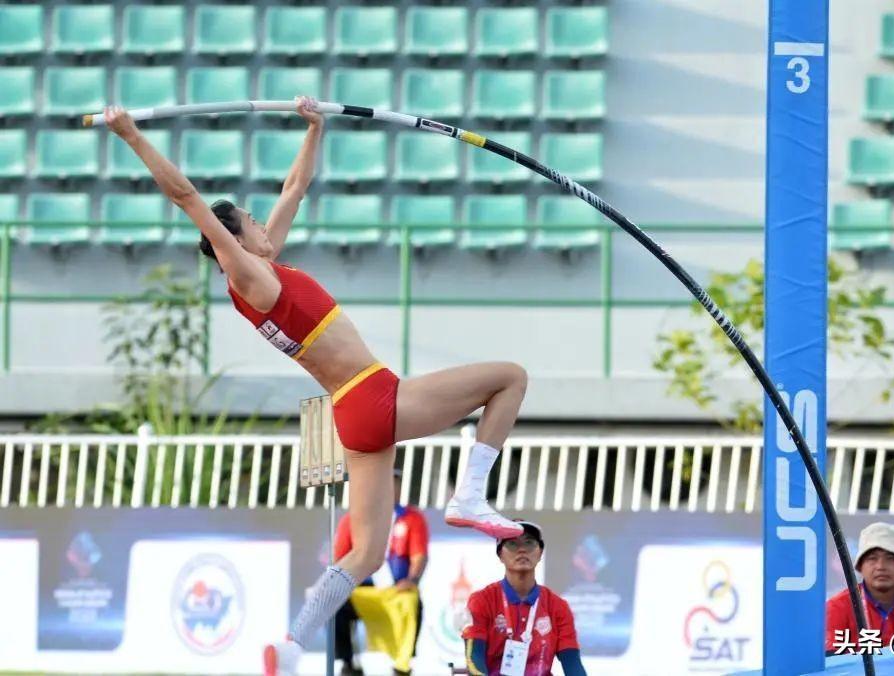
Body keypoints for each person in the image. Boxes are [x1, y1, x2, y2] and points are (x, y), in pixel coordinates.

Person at [101, 99, 527, 676]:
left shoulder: (262, 267)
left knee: (366, 553)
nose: (262, 223)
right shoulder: (248, 275)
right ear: (233, 240)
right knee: (509, 378)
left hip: (351, 414)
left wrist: (314, 128)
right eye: (251, 221)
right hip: (373, 394)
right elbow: (186, 196)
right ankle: (470, 494)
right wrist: (130, 134)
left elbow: (295, 188)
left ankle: (292, 644)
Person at [333, 469, 427, 676]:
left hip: (395, 590)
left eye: (394, 483)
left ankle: (403, 664)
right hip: (362, 590)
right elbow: (340, 559)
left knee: (413, 602)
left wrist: (412, 580)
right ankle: (348, 663)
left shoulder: (411, 518)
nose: (389, 488)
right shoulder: (353, 519)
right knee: (334, 603)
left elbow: (419, 556)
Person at [461, 521, 587, 676]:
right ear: (500, 554)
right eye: (513, 544)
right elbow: (474, 659)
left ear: (540, 553)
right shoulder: (481, 601)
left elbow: (573, 664)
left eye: (529, 543)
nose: (522, 550)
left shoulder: (558, 606)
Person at [825, 521, 894, 653]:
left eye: (890, 558)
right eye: (872, 558)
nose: (880, 566)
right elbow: (832, 662)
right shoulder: (836, 608)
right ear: (860, 567)